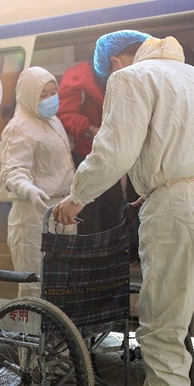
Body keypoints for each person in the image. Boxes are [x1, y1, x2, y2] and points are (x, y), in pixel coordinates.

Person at [54, 32, 194, 386]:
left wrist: (77, 197)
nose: (110, 77)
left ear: (120, 59)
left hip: (180, 208)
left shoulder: (132, 79)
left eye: (109, 69)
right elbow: (189, 142)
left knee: (164, 322)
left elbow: (113, 151)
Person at [56, 31, 149, 235]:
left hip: (124, 150)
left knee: (113, 206)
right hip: (88, 152)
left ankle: (114, 253)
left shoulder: (140, 74)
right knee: (88, 215)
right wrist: (91, 131)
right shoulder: (78, 76)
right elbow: (65, 112)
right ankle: (92, 259)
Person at [1, 66, 75, 297]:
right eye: (43, 95)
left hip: (62, 209)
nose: (50, 99)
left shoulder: (53, 121)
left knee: (61, 281)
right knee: (34, 284)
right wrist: (29, 190)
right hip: (33, 216)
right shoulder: (19, 127)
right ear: (28, 96)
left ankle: (55, 333)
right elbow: (12, 171)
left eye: (53, 92)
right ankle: (33, 333)